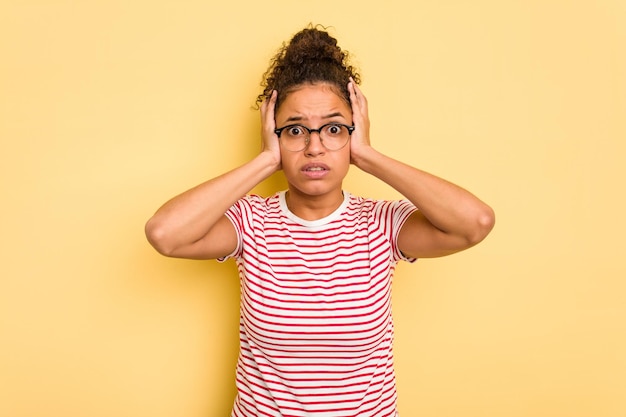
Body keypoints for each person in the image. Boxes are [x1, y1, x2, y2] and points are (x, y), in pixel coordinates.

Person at [145, 25, 495, 417]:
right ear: (274, 135)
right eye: (295, 130)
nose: (315, 147)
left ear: (354, 131)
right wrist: (265, 160)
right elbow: (165, 234)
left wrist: (367, 155)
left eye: (333, 129)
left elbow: (475, 222)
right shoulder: (249, 222)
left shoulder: (383, 224)